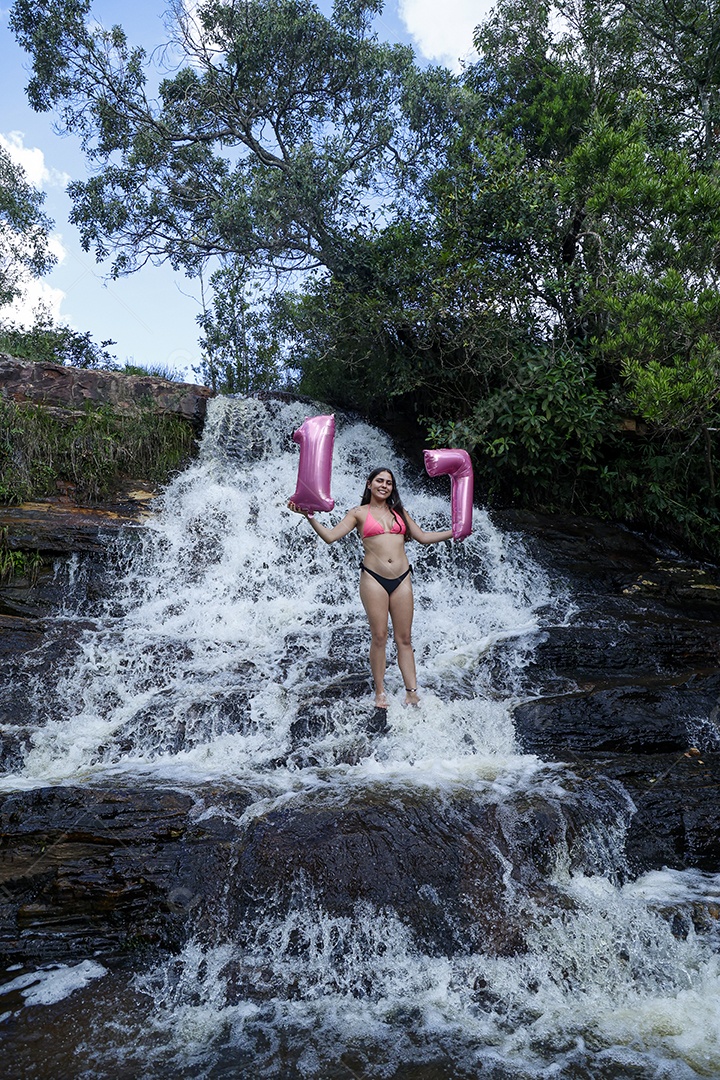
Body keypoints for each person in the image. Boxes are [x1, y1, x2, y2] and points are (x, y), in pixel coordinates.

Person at [288, 467, 453, 709]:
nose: (384, 485)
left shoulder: (400, 513)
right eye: (379, 481)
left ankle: (412, 692)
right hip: (373, 578)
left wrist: (456, 532)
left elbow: (423, 537)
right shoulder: (358, 513)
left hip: (402, 578)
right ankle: (380, 692)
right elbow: (331, 537)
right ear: (369, 484)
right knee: (379, 636)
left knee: (404, 638)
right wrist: (309, 516)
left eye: (388, 482)